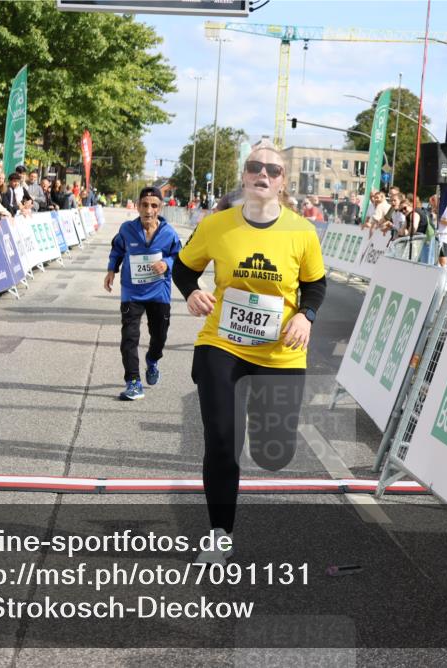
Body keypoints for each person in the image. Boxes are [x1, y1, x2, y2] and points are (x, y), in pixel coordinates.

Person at [172, 142, 327, 564]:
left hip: (280, 353)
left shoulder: (301, 231)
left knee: (273, 453)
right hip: (221, 345)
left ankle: (263, 428)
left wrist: (306, 316)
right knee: (222, 442)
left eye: (273, 170)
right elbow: (184, 267)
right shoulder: (217, 225)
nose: (263, 174)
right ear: (243, 174)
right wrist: (192, 292)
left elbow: (315, 284)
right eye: (255, 166)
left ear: (283, 182)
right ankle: (220, 536)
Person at [104, 186, 183, 400]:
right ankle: (133, 381)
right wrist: (111, 270)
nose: (149, 210)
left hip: (159, 293)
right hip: (132, 292)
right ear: (138, 206)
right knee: (129, 337)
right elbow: (117, 249)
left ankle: (152, 359)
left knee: (159, 337)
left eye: (154, 206)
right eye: (145, 205)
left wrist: (166, 263)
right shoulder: (127, 229)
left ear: (160, 208)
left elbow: (179, 256)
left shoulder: (168, 233)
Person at [431, 194, 447, 266]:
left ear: (439, 200)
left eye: (433, 202)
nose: (432, 205)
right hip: (436, 238)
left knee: (443, 262)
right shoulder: (437, 209)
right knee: (436, 261)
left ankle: (445, 276)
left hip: (444, 238)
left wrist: (436, 216)